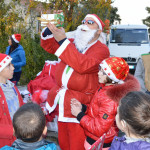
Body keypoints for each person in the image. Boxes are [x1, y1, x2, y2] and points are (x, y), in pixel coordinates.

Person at [41, 14, 110, 150]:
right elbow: (49, 45)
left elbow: (83, 65)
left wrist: (63, 42)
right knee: (64, 144)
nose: (84, 24)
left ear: (99, 31)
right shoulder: (72, 43)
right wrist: (50, 31)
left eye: (90, 22)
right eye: (83, 21)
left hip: (82, 107)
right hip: (63, 103)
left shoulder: (102, 50)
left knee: (77, 145)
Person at [71, 57, 140, 150]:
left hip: (100, 143)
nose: (98, 73)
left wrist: (79, 114)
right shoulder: (105, 89)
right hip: (95, 139)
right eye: (100, 70)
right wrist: (82, 107)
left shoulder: (109, 98)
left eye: (103, 72)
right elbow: (97, 111)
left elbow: (99, 129)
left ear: (112, 77)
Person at [0, 53, 24, 148]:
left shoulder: (13, 87)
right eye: (8, 66)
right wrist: (12, 131)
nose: (13, 68)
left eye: (12, 65)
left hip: (18, 138)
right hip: (4, 142)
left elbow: (21, 108)